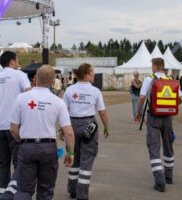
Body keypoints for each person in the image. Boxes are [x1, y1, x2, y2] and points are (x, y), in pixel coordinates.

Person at [10, 65, 75, 199]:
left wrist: (21, 141)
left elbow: (13, 128)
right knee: (46, 190)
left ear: (35, 79)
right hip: (49, 148)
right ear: (52, 82)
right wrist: (70, 152)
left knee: (24, 190)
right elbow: (68, 132)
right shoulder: (58, 102)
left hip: (27, 146)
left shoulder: (21, 98)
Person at [135, 58, 182, 192]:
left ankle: (159, 181)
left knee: (154, 147)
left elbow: (142, 97)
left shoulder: (149, 79)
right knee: (168, 147)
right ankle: (169, 176)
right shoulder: (171, 80)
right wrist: (170, 107)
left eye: (152, 65)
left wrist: (138, 112)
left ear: (156, 66)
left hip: (153, 117)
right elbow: (181, 99)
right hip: (168, 118)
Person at [63, 63, 110, 200]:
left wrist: (62, 128)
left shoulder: (69, 90)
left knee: (73, 156)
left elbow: (63, 111)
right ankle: (82, 194)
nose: (94, 74)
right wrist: (106, 126)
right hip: (89, 124)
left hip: (71, 125)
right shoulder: (95, 91)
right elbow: (102, 112)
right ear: (86, 74)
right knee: (87, 159)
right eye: (92, 72)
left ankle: (72, 190)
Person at [0, 51, 32, 200]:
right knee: (19, 162)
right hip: (14, 126)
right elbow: (29, 95)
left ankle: (3, 193)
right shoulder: (20, 75)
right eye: (17, 60)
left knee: (2, 163)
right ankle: (12, 193)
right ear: (12, 62)